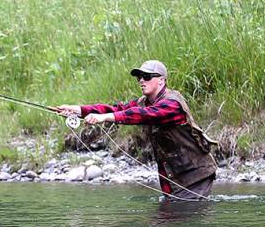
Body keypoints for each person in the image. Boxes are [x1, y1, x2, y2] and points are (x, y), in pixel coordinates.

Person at [55, 60, 218, 200]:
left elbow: (142, 115)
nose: (141, 80)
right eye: (139, 77)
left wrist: (105, 118)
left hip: (196, 174)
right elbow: (117, 109)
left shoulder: (172, 104)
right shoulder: (144, 102)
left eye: (147, 77)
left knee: (178, 219)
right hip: (173, 175)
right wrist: (78, 110)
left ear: (161, 80)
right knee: (168, 219)